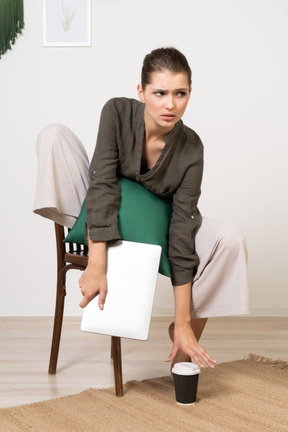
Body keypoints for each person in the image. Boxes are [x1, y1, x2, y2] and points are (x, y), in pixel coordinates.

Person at [78, 47, 249, 370]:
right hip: (110, 214)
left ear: (190, 93)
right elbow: (102, 184)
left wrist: (181, 318)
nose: (170, 104)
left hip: (160, 226)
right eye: (159, 93)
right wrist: (96, 261)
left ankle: (185, 334)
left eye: (180, 93)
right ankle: (77, 231)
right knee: (55, 137)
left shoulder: (192, 147)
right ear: (141, 92)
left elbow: (182, 226)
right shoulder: (115, 112)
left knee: (231, 239)